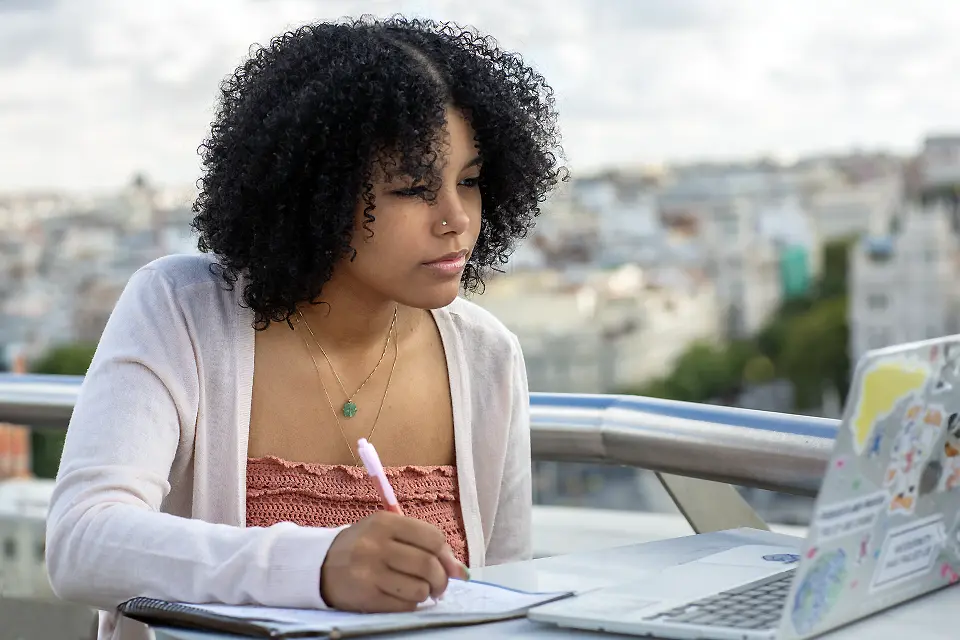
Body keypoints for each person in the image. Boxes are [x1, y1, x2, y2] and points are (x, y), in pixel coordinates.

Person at [44, 15, 564, 640]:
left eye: (471, 181)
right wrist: (316, 566)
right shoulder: (183, 311)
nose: (456, 218)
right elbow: (82, 542)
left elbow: (500, 604)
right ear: (315, 191)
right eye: (411, 189)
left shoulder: (487, 358)